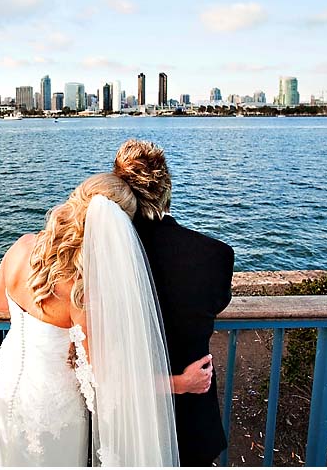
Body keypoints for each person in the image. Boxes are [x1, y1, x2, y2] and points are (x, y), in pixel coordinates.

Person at [0, 172, 209, 467]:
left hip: (7, 381)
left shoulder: (21, 246)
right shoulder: (81, 293)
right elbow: (108, 382)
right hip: (52, 405)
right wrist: (180, 383)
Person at [113, 139, 235, 466]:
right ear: (167, 187)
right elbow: (217, 303)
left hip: (126, 420)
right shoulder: (216, 255)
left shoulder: (107, 259)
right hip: (192, 420)